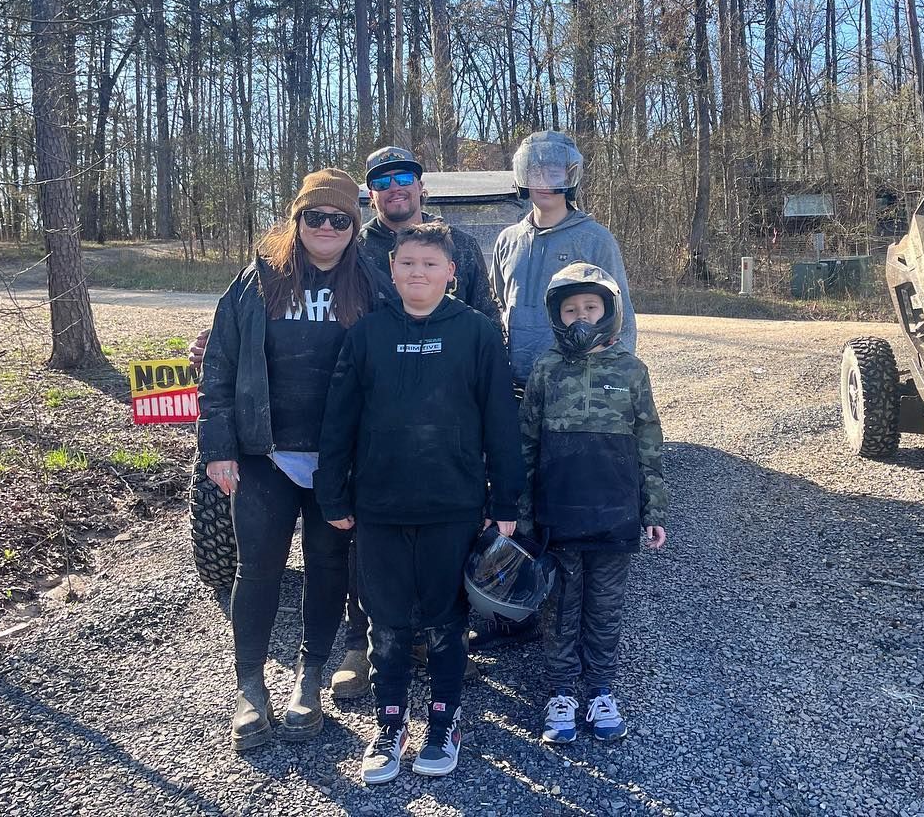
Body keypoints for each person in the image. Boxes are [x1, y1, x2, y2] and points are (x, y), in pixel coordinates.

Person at [315, 221, 523, 783]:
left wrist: (506, 501)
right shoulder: (366, 335)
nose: (418, 274)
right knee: (386, 624)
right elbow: (338, 423)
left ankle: (444, 718)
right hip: (379, 506)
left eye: (430, 265)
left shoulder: (477, 334)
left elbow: (502, 423)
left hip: (452, 505)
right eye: (407, 263)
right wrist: (332, 492)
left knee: (445, 622)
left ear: (451, 272)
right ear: (392, 269)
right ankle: (390, 722)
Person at [197, 169, 390, 752]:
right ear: (296, 220)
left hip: (337, 461)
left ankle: (309, 680)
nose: (326, 228)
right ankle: (250, 689)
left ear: (354, 227)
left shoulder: (373, 285)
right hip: (265, 455)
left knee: (328, 567)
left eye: (339, 219)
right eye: (315, 217)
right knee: (256, 569)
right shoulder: (257, 282)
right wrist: (218, 446)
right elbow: (221, 367)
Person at [479, 129, 636, 650]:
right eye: (533, 169)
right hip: (517, 387)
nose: (542, 180)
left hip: (572, 390)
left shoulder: (594, 238)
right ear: (521, 176)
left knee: (566, 495)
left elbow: (620, 318)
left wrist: (613, 388)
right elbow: (499, 311)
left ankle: (573, 606)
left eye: (553, 170)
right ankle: (514, 602)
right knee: (514, 493)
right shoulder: (507, 240)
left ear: (569, 177)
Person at [518, 262, 666, 745]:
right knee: (560, 606)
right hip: (556, 517)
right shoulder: (545, 368)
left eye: (590, 307)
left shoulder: (631, 370)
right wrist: (518, 510)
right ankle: (562, 691)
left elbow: (649, 443)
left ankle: (600, 689)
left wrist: (654, 510)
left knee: (605, 607)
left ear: (609, 311)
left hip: (615, 516)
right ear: (556, 317)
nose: (581, 317)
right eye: (570, 310)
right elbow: (526, 442)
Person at [358, 145, 502, 328]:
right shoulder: (357, 250)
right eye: (382, 183)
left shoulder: (461, 244)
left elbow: (488, 316)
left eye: (404, 178)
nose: (394, 187)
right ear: (371, 195)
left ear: (419, 186)